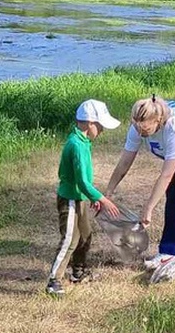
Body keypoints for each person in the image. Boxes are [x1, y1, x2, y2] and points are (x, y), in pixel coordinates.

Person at [105, 95, 175, 270]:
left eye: (146, 131)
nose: (141, 134)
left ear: (159, 120)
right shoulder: (138, 126)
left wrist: (148, 208)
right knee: (172, 203)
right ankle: (167, 252)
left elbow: (166, 175)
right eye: (138, 129)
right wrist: (108, 191)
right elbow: (125, 161)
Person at [46, 99, 121, 297]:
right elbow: (82, 182)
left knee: (85, 236)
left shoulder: (84, 141)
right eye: (101, 126)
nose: (103, 130)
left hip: (79, 199)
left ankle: (78, 272)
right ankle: (54, 280)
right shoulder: (76, 145)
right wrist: (103, 199)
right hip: (70, 199)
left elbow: (85, 181)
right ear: (90, 123)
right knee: (70, 239)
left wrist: (92, 197)